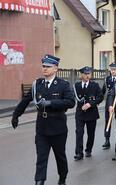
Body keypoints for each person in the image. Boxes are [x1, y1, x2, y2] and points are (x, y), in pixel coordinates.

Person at [11, 54, 75, 185]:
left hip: (58, 128)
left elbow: (70, 102)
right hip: (42, 129)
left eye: (48, 66)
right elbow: (26, 100)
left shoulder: (63, 85)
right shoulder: (37, 84)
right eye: (43, 66)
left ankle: (62, 178)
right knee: (41, 159)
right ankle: (39, 181)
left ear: (56, 68)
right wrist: (16, 114)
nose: (44, 69)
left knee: (60, 157)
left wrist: (51, 103)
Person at [73, 66, 103, 161]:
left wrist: (90, 104)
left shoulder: (95, 85)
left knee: (91, 133)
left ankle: (88, 150)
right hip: (80, 113)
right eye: (85, 74)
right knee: (79, 133)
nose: (87, 75)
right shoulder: (76, 86)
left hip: (91, 113)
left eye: (88, 74)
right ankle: (79, 153)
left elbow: (100, 97)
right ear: (81, 75)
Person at [102, 63, 116, 149]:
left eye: (115, 70)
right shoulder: (107, 79)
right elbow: (103, 91)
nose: (113, 71)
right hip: (109, 103)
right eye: (112, 69)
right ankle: (107, 139)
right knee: (107, 121)